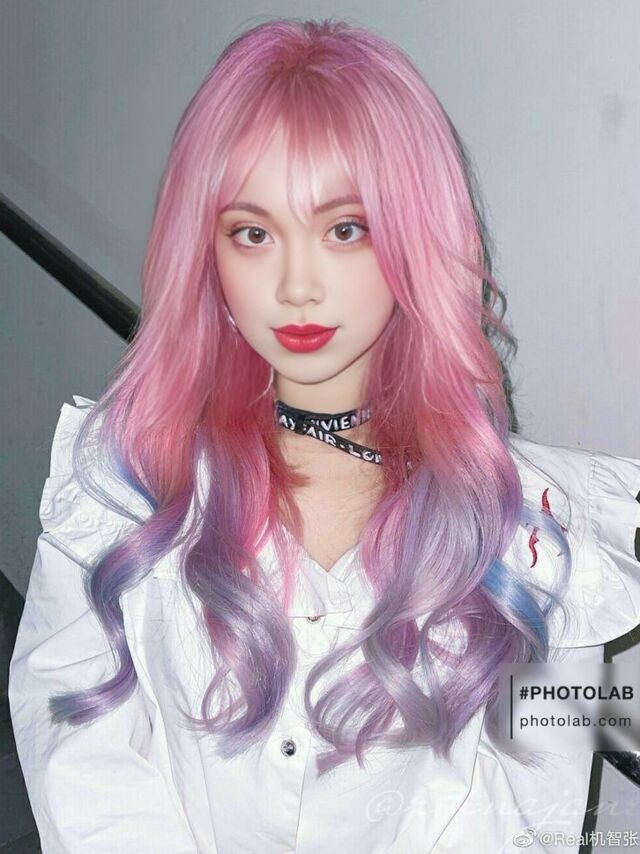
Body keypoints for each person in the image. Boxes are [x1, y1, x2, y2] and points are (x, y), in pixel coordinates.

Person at [9, 17, 640, 854]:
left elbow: (533, 818)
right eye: (253, 233)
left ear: (415, 238)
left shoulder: (540, 533)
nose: (297, 284)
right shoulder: (126, 480)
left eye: (345, 229)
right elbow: (78, 749)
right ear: (207, 252)